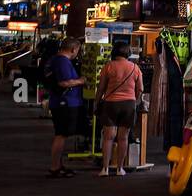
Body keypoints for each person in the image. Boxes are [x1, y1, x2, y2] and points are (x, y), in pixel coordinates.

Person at [95, 41, 144, 177]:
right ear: (128, 52)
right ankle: (119, 169)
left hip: (110, 104)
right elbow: (140, 89)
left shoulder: (108, 66)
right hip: (128, 104)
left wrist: (97, 102)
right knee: (123, 138)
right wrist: (134, 100)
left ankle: (105, 169)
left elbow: (101, 88)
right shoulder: (135, 68)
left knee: (108, 138)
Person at [45, 38, 85, 178]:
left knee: (61, 134)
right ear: (73, 49)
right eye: (78, 50)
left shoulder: (56, 59)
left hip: (62, 102)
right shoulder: (62, 61)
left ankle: (58, 165)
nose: (77, 53)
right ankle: (55, 167)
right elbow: (64, 82)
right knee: (61, 134)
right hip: (64, 103)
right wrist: (81, 81)